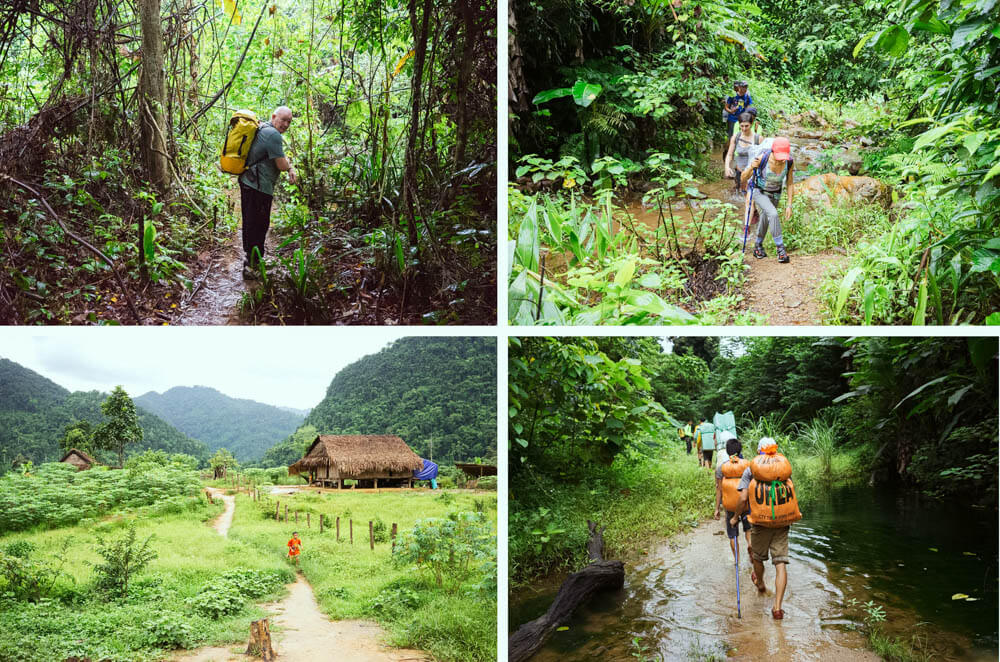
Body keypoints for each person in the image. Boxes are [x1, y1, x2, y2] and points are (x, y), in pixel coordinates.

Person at [731, 437, 800, 620]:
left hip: (760, 524)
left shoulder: (751, 470)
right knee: (780, 563)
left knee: (758, 558)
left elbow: (743, 498)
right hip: (782, 523)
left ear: (759, 451)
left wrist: (735, 517)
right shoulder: (782, 468)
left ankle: (760, 582)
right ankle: (777, 608)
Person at [239, 106, 298, 279]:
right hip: (258, 186)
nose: (286, 124)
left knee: (252, 223)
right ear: (273, 117)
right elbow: (280, 164)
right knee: (258, 225)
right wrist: (290, 168)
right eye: (283, 120)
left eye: (289, 122)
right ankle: (252, 267)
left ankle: (252, 264)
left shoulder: (263, 128)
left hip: (250, 182)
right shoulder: (273, 135)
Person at [741, 136, 794, 264]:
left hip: (776, 194)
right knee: (773, 214)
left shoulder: (789, 162)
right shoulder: (762, 159)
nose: (782, 160)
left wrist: (789, 205)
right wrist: (750, 168)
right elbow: (743, 178)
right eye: (779, 156)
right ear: (773, 152)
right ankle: (780, 250)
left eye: (783, 157)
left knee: (765, 216)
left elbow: (790, 183)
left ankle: (758, 247)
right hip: (759, 192)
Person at [715, 435, 751, 562]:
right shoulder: (748, 465)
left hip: (730, 506)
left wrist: (717, 508)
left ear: (727, 451)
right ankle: (750, 545)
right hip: (746, 503)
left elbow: (719, 489)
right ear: (740, 450)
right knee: (749, 530)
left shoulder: (721, 468)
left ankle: (737, 560)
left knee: (733, 534)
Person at [725, 112, 762, 193]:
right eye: (742, 126)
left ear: (751, 124)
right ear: (739, 124)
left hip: (752, 172)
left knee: (750, 196)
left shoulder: (758, 139)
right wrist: (727, 167)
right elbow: (730, 154)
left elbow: (763, 158)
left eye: (746, 126)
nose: (744, 129)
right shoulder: (736, 137)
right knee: (739, 193)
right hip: (739, 170)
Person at [722, 81, 754, 160]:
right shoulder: (732, 96)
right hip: (732, 119)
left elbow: (748, 108)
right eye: (743, 87)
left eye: (746, 87)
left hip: (742, 120)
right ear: (739, 87)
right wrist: (731, 111)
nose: (744, 89)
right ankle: (728, 153)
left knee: (742, 136)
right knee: (731, 137)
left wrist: (748, 117)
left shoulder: (747, 97)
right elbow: (726, 107)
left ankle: (738, 154)